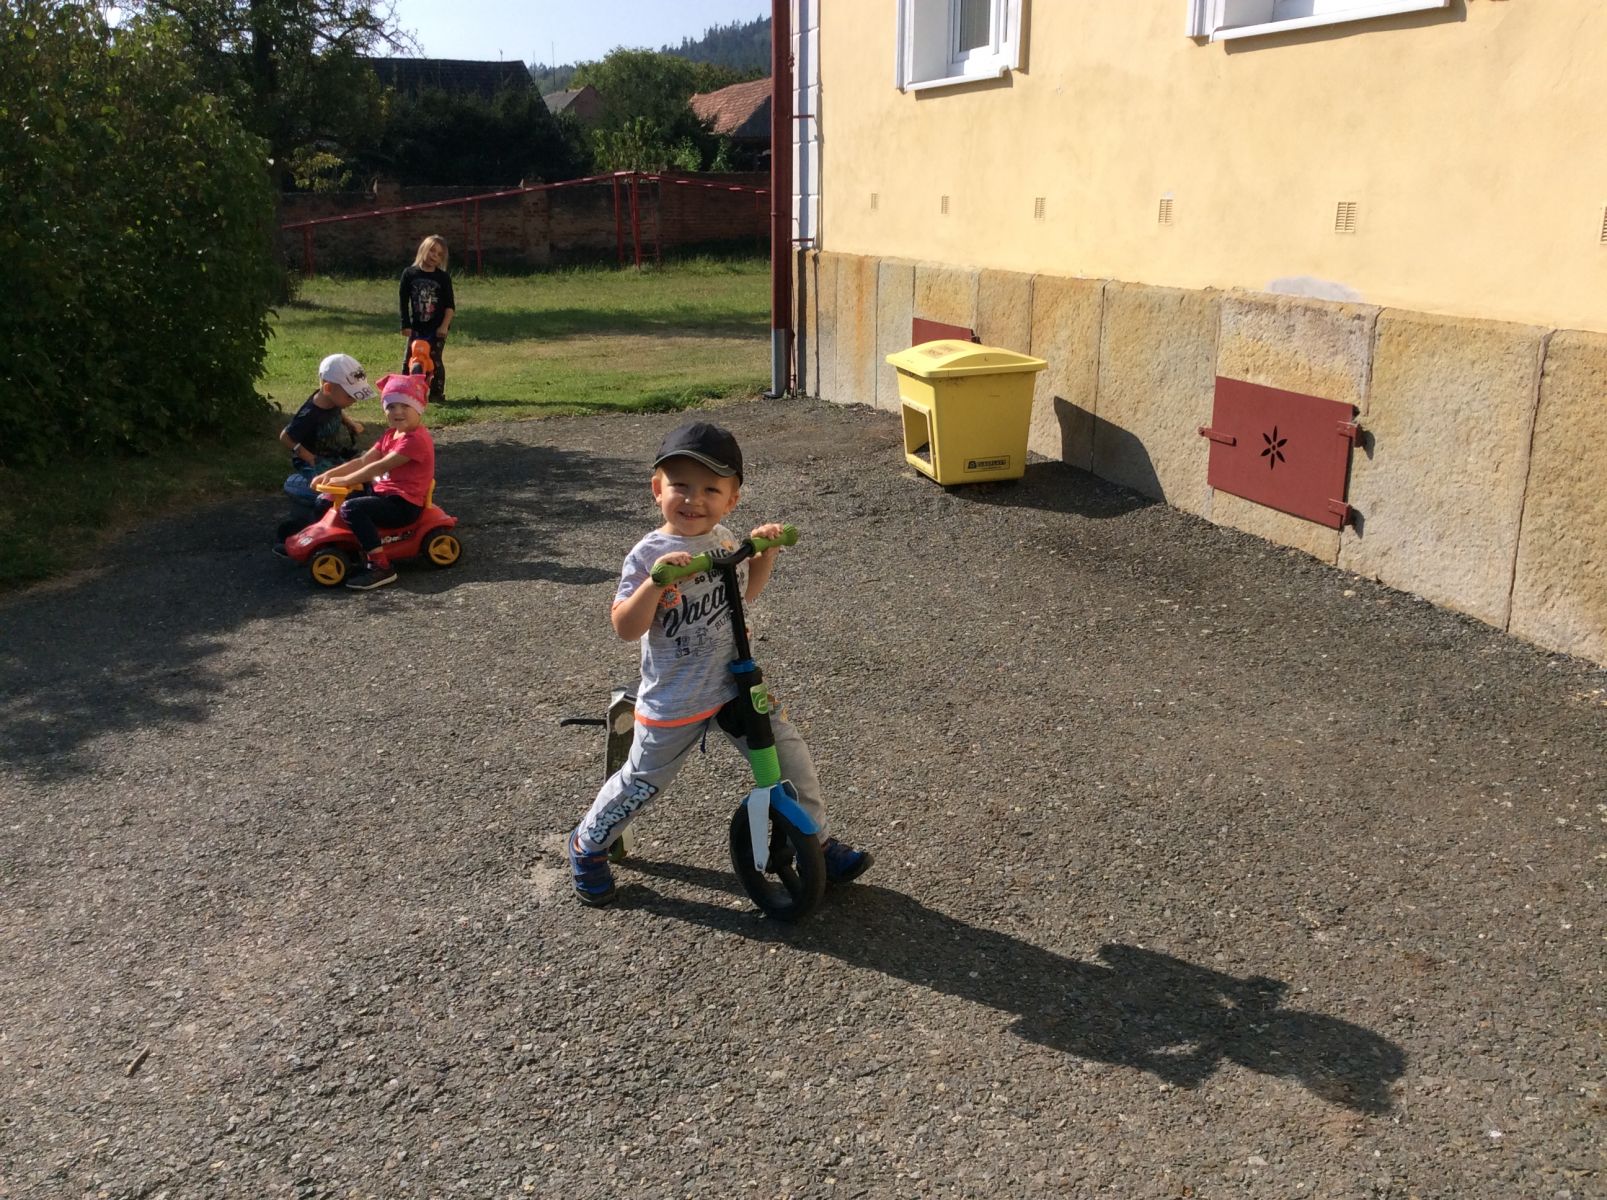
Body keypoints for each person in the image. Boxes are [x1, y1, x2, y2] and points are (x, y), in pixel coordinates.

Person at [567, 420, 871, 906]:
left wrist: (764, 552)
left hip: (733, 687)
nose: (694, 499)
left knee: (789, 757)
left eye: (711, 489)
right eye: (680, 486)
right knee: (643, 783)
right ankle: (588, 844)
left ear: (732, 500)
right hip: (676, 699)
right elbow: (625, 626)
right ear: (657, 490)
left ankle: (816, 841)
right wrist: (655, 584)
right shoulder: (649, 554)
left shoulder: (725, 541)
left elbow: (745, 594)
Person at [311, 372, 436, 591]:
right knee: (328, 499)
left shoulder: (414, 440)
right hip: (384, 493)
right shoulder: (390, 435)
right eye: (391, 406)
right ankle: (328, 542)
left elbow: (378, 468)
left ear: (419, 408)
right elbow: (363, 461)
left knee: (352, 508)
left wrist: (345, 480)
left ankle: (381, 565)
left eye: (405, 406)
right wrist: (329, 475)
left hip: (404, 504)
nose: (397, 412)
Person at [274, 353, 375, 548]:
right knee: (333, 489)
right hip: (314, 459)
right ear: (328, 388)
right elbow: (285, 436)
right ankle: (315, 528)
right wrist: (306, 455)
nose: (354, 399)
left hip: (332, 453)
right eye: (350, 395)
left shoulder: (332, 400)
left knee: (365, 468)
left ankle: (362, 511)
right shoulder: (309, 415)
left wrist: (350, 423)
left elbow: (338, 410)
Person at [399, 234, 454, 403]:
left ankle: (436, 394)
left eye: (439, 254)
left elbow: (450, 306)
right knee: (409, 359)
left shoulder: (442, 278)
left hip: (437, 328)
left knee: (435, 360)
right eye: (432, 251)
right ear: (423, 249)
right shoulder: (409, 274)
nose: (434, 256)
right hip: (417, 327)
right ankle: (405, 391)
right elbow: (403, 302)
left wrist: (444, 326)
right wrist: (405, 324)